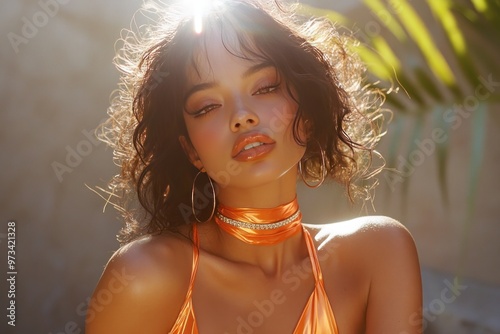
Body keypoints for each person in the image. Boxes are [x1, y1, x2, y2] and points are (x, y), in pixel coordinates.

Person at [86, 0, 422, 333]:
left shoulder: (379, 254)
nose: (242, 115)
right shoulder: (144, 277)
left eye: (265, 87)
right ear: (190, 150)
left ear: (305, 111)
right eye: (207, 106)